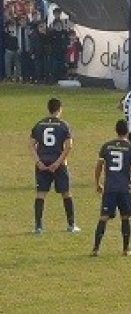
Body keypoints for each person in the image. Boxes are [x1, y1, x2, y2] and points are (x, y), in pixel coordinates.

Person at [91, 119, 131, 257]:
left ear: (116, 130)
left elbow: (99, 166)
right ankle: (126, 249)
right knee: (125, 217)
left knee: (103, 217)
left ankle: (95, 249)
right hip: (124, 189)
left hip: (110, 188)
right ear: (127, 132)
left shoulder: (106, 146)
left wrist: (97, 183)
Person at [29, 97, 80, 234]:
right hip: (59, 164)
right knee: (66, 193)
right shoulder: (63, 125)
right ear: (59, 109)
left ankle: (38, 226)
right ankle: (71, 225)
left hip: (43, 163)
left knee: (41, 193)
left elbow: (31, 145)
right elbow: (69, 146)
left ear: (48, 109)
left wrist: (38, 162)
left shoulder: (39, 124)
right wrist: (58, 162)